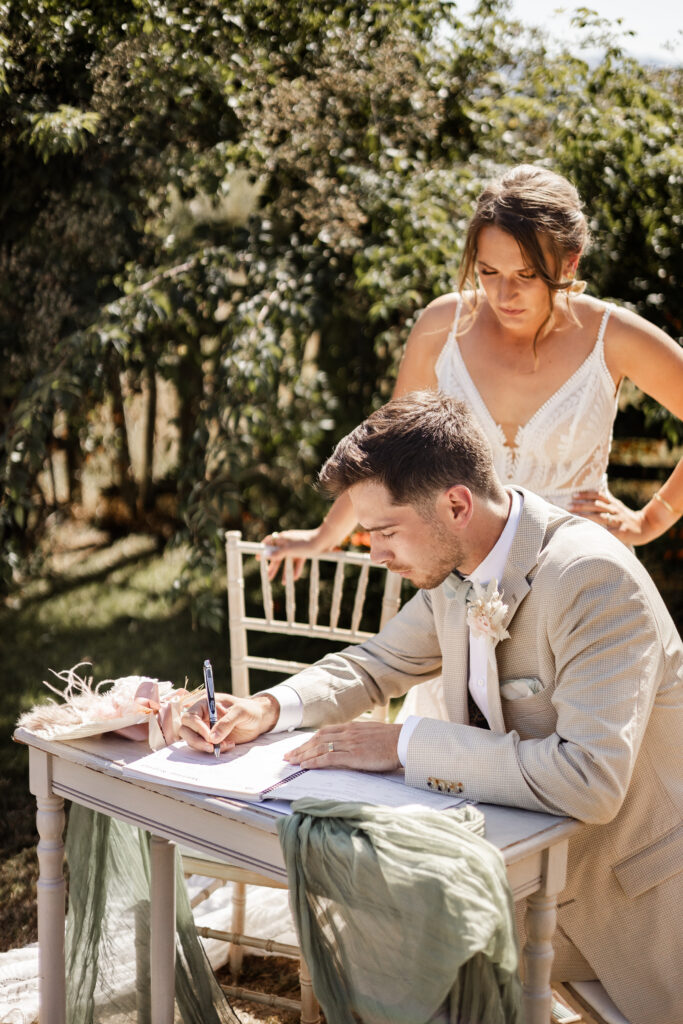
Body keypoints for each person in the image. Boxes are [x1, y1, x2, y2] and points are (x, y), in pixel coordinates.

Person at [181, 392, 683, 1024]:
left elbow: (590, 780)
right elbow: (374, 663)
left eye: (385, 531)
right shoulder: (463, 562)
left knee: (402, 957)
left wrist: (402, 746)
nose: (374, 552)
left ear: (455, 504)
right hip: (518, 869)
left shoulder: (592, 581)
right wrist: (266, 707)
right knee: (376, 943)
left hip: (630, 904)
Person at [262, 163, 683, 578]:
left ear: (570, 264)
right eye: (488, 272)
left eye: (527, 274)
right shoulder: (443, 325)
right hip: (467, 574)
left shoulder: (612, 336)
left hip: (581, 571)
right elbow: (388, 453)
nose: (505, 293)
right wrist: (323, 536)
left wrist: (651, 520)